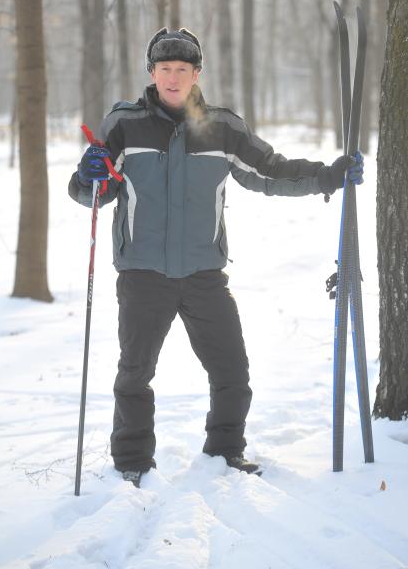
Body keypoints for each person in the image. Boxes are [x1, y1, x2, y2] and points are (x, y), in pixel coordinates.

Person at [68, 28, 364, 488]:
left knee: (231, 370)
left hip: (205, 271)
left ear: (196, 74)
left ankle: (225, 450)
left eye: (182, 69)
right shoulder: (123, 125)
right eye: (164, 69)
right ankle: (131, 461)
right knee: (135, 372)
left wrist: (327, 177)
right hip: (143, 273)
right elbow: (93, 191)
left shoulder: (223, 127)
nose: (172, 77)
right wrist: (86, 176)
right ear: (151, 73)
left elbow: (270, 171)